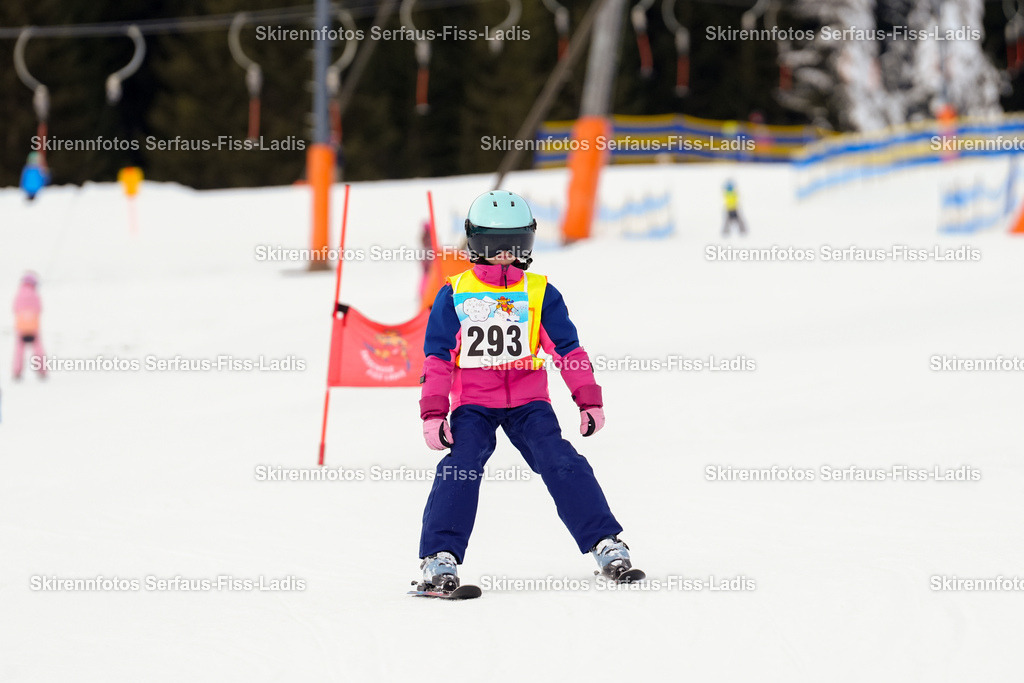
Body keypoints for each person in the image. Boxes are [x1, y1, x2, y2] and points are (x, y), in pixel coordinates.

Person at [415, 191, 635, 592]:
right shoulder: (455, 293)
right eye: (492, 245)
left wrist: (588, 398)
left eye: (514, 244)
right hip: (474, 405)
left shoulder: (539, 293)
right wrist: (433, 412)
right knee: (461, 465)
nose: (503, 255)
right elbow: (438, 357)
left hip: (529, 403)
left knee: (561, 460)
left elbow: (568, 350)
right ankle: (439, 558)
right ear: (474, 243)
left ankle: (605, 543)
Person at [13, 272, 47, 381]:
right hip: (33, 326)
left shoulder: (18, 295)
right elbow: (39, 308)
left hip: (21, 327)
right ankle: (42, 370)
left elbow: (14, 308)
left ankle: (17, 372)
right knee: (38, 350)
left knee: (19, 350)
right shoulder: (35, 295)